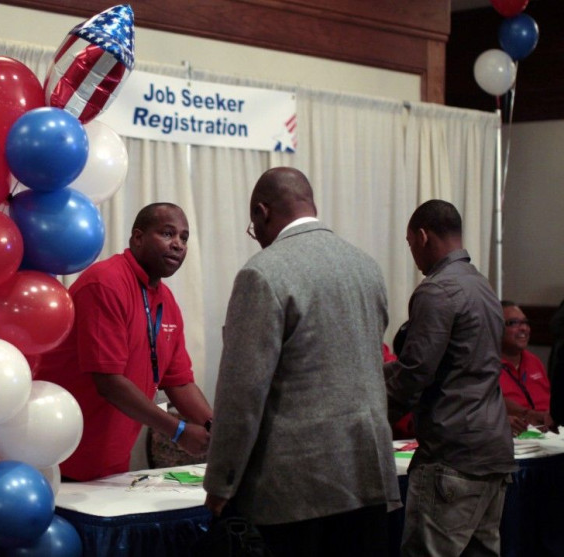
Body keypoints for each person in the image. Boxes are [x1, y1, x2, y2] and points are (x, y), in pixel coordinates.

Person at [203, 167, 400, 557]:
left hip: (297, 491)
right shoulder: (367, 267)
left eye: (252, 226)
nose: (255, 236)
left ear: (262, 212)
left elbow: (242, 393)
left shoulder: (262, 273)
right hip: (369, 475)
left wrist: (221, 482)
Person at [36, 203, 213, 481]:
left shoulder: (166, 302)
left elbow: (178, 381)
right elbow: (109, 382)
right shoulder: (105, 283)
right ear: (138, 238)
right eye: (168, 234)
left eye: (184, 237)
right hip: (60, 459)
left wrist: (214, 428)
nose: (178, 244)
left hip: (111, 464)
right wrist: (177, 431)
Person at [384, 199, 516, 556]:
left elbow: (414, 373)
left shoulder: (437, 290)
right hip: (492, 451)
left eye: (410, 243)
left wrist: (370, 416)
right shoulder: (482, 287)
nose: (412, 253)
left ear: (423, 236)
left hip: (453, 456)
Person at [499, 300, 556, 435]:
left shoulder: (533, 361)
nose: (524, 328)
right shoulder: (484, 366)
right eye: (513, 323)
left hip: (548, 438)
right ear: (496, 328)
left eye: (525, 322)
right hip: (511, 439)